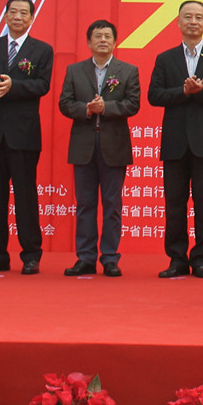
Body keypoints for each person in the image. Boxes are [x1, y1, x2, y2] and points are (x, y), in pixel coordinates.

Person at [148, 1, 203, 279]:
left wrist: (200, 92)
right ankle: (176, 259)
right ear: (178, 22)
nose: (193, 21)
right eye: (188, 17)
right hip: (174, 140)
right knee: (175, 204)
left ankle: (202, 260)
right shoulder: (165, 58)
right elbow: (154, 95)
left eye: (198, 17)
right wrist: (183, 92)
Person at [0, 0, 53, 275]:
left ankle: (31, 254)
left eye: (23, 13)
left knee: (25, 195)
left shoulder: (42, 50)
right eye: (13, 12)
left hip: (23, 134)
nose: (18, 17)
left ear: (32, 18)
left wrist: (13, 86)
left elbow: (43, 85)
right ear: (5, 16)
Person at [59, 20, 141, 277]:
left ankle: (110, 258)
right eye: (98, 36)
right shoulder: (75, 70)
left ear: (115, 42)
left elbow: (133, 104)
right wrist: (86, 109)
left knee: (112, 204)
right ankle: (85, 257)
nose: (103, 40)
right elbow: (65, 103)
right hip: (83, 145)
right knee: (85, 205)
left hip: (114, 146)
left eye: (107, 36)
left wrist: (106, 108)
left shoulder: (128, 71)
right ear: (89, 42)